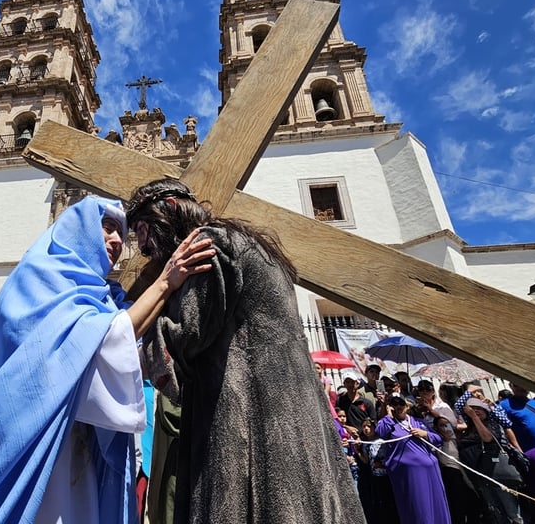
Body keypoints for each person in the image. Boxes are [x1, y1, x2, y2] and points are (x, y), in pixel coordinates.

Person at [0, 196, 215, 523]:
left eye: (122, 232)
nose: (118, 240)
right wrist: (164, 283)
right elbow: (105, 341)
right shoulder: (38, 277)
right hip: (25, 444)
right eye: (108, 227)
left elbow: (123, 351)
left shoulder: (105, 298)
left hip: (76, 452)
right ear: (78, 228)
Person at [126, 178, 365, 524]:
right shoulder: (246, 244)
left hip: (255, 425)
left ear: (169, 213)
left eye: (143, 231)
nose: (143, 247)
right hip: (291, 422)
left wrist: (112, 350)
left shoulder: (209, 246)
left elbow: (184, 335)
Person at [375, 395, 450, 524]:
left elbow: (438, 439)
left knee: (436, 502)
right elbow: (380, 432)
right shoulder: (388, 423)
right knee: (418, 506)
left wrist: (425, 434)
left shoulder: (418, 422)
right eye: (395, 404)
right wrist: (388, 415)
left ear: (407, 406)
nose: (398, 407)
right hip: (409, 473)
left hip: (430, 470)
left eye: (401, 404)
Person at [458, 397, 523, 523]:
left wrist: (475, 417)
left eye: (479, 409)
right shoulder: (469, 430)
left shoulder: (493, 424)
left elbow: (487, 438)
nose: (475, 411)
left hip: (499, 476)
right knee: (495, 511)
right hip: (482, 476)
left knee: (512, 511)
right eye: (472, 409)